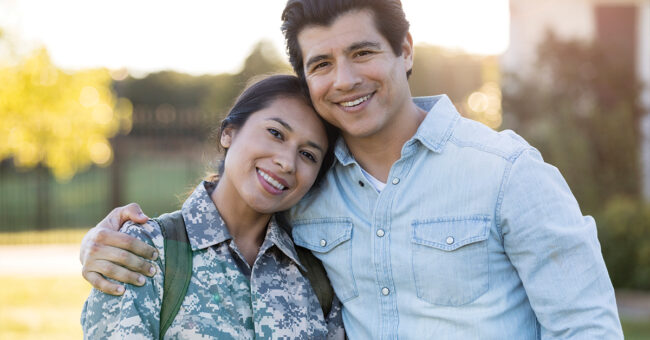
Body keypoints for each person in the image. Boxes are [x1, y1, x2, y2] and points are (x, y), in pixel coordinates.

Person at [80, 0, 624, 338]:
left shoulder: (507, 173)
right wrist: (99, 244)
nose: (344, 80)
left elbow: (586, 328)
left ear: (405, 49)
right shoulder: (306, 191)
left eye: (362, 52)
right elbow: (226, 224)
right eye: (321, 63)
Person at [80, 74, 345, 339]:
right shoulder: (145, 250)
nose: (287, 162)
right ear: (228, 134)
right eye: (276, 133)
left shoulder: (316, 275)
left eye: (308, 155)